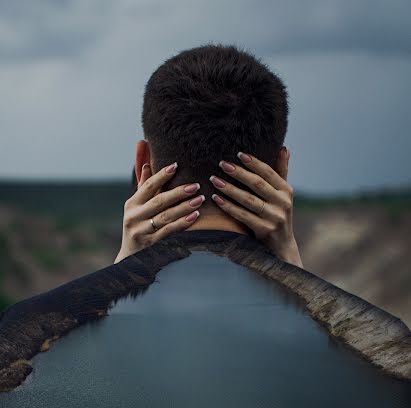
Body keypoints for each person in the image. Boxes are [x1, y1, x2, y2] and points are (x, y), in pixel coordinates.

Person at [114, 43, 303, 269]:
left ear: (142, 162)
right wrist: (291, 263)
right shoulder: (346, 306)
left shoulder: (66, 305)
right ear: (279, 168)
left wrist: (122, 269)